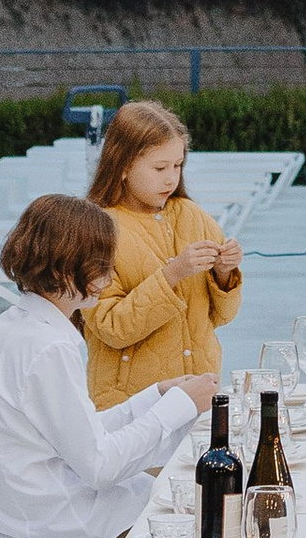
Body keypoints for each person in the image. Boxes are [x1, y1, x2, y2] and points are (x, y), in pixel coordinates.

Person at [0, 194, 215, 538]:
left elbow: (72, 435)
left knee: (198, 499)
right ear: (63, 265)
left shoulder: (9, 327)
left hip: (30, 521)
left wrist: (155, 395)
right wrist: (180, 406)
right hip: (64, 533)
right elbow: (100, 466)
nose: (109, 275)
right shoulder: (47, 344)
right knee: (221, 518)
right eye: (100, 264)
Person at [82, 101, 243, 406]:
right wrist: (173, 274)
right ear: (123, 166)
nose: (171, 178)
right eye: (159, 167)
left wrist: (224, 275)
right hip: (129, 407)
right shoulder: (96, 230)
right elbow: (111, 328)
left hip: (197, 399)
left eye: (177, 165)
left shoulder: (193, 216)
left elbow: (221, 317)